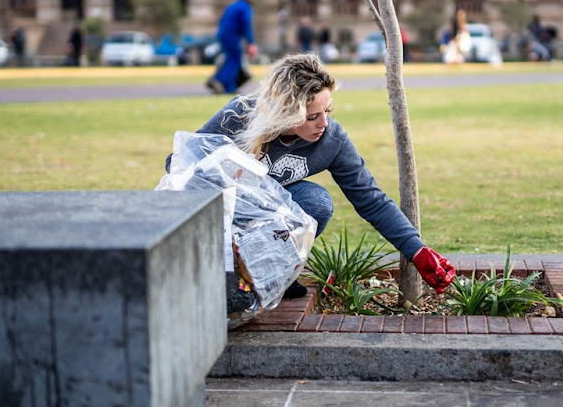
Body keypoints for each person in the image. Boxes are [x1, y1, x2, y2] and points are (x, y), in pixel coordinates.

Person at [166, 52, 456, 299]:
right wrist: (225, 169)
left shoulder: (332, 140)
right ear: (284, 111)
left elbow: (371, 200)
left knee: (316, 202)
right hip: (225, 212)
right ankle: (221, 275)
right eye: (312, 116)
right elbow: (177, 162)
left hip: (269, 217)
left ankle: (274, 274)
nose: (323, 123)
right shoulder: (240, 115)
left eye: (327, 111)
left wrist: (416, 251)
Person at [207, 0, 258, 94]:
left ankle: (225, 84)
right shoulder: (245, 7)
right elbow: (246, 26)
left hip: (223, 34)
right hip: (232, 35)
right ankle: (222, 81)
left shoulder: (234, 5)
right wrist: (251, 43)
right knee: (235, 59)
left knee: (230, 59)